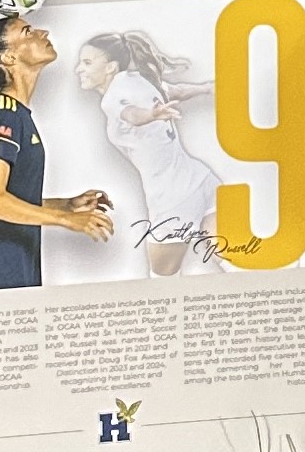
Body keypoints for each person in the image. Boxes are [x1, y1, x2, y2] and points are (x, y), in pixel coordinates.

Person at [0, 12, 114, 292]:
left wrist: (66, 205)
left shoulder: (18, 115)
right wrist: (65, 219)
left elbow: (12, 199)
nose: (42, 32)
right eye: (28, 31)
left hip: (13, 273)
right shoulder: (3, 116)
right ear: (7, 58)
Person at [75, 30, 224, 276]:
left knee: (162, 280)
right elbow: (175, 91)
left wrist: (151, 115)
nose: (79, 69)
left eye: (87, 62)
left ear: (111, 66)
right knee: (231, 259)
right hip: (201, 179)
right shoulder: (139, 79)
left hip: (172, 199)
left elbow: (131, 114)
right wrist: (207, 88)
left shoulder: (111, 99)